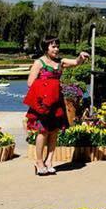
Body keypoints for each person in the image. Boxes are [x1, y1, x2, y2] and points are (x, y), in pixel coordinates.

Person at [24, 36, 89, 175]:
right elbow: (30, 83)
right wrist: (45, 88)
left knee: (54, 131)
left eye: (57, 46)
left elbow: (76, 62)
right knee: (42, 132)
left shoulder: (61, 62)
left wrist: (81, 57)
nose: (56, 49)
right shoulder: (39, 62)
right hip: (43, 103)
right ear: (46, 47)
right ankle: (39, 162)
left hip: (57, 101)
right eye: (53, 46)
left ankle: (49, 161)